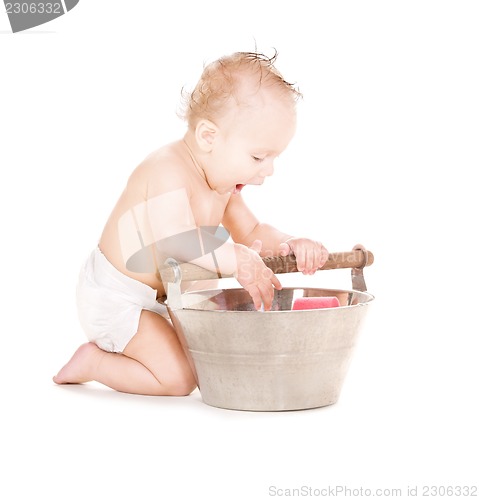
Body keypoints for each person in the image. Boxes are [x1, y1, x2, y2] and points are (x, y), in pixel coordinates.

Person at [53, 51, 329, 396]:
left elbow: (253, 233)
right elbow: (175, 238)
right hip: (117, 298)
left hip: (170, 297)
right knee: (180, 379)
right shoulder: (167, 169)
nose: (268, 169)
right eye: (258, 157)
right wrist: (236, 259)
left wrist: (292, 243)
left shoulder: (221, 184)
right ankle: (95, 362)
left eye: (274, 157)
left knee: (221, 354)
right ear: (208, 137)